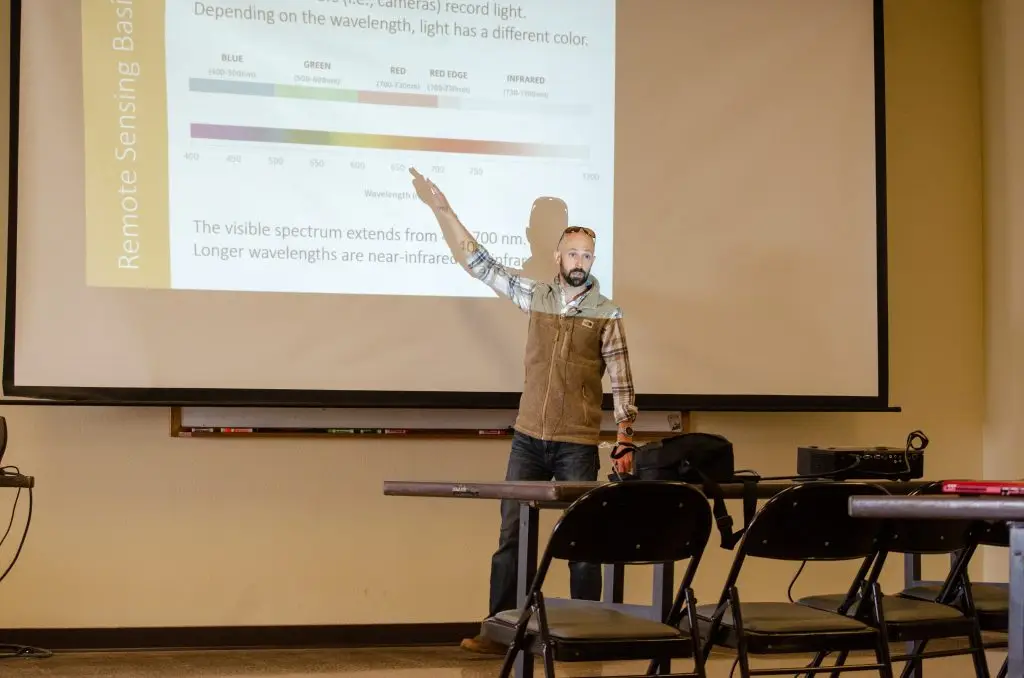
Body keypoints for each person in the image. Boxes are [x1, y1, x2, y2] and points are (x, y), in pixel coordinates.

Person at [409, 168, 639, 655]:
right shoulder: (536, 296)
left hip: (577, 442)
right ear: (557, 255)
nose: (580, 261)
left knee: (582, 543)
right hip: (529, 438)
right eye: (573, 252)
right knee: (512, 533)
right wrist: (443, 210)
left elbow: (620, 377)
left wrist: (624, 436)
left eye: (587, 255)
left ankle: (586, 635)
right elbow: (481, 264)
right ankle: (500, 630)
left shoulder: (607, 312)